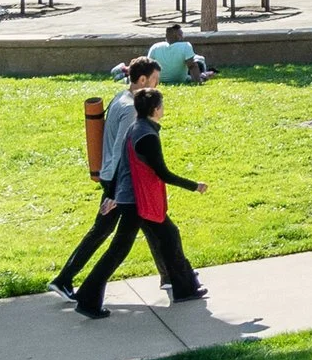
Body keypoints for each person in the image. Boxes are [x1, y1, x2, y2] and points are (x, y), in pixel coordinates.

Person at [73, 85, 207, 316]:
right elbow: (162, 173)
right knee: (119, 250)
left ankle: (185, 288)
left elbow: (121, 165)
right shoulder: (147, 135)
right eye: (162, 105)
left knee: (168, 235)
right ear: (156, 109)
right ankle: (87, 299)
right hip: (137, 201)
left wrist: (113, 195)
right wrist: (195, 186)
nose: (163, 108)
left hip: (132, 198)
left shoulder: (136, 128)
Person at [49, 57, 161, 303]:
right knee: (107, 231)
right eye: (155, 81)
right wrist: (115, 192)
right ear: (142, 80)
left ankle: (174, 275)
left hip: (113, 177)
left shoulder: (121, 98)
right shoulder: (132, 109)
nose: (157, 87)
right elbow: (124, 148)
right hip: (117, 180)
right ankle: (64, 280)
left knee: (145, 228)